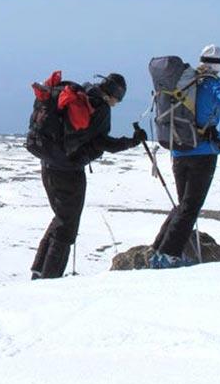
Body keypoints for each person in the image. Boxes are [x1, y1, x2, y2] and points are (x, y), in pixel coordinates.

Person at [31, 73, 145, 279]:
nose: (117, 104)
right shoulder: (99, 107)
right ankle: (49, 278)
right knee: (67, 225)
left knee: (61, 218)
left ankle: (39, 271)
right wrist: (131, 142)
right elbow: (102, 143)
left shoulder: (81, 93)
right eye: (119, 100)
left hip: (48, 163)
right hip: (68, 170)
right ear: (114, 95)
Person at [150, 45, 220, 268]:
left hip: (178, 149)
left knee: (183, 206)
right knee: (190, 207)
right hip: (203, 151)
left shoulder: (187, 82)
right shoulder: (212, 85)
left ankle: (157, 250)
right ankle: (168, 255)